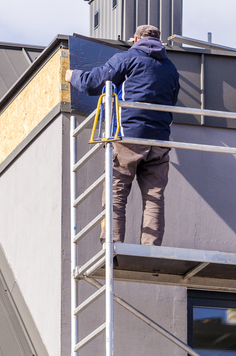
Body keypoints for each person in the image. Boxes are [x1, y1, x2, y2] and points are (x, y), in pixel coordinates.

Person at [69, 24, 180, 246]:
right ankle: (151, 249)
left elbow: (94, 83)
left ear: (136, 39)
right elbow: (172, 102)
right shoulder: (171, 69)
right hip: (158, 141)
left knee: (116, 193)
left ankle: (111, 246)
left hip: (127, 136)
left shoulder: (128, 58)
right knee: (154, 198)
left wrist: (72, 75)